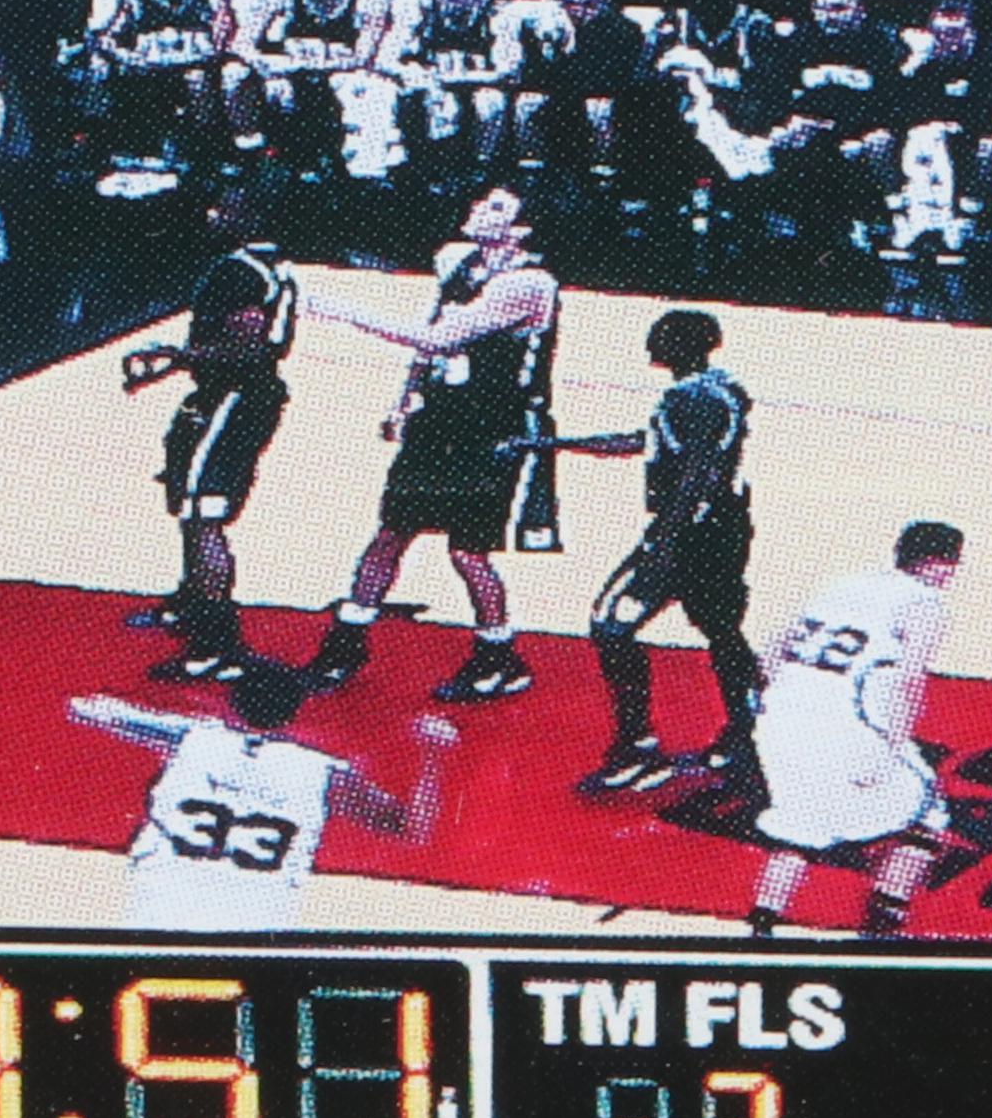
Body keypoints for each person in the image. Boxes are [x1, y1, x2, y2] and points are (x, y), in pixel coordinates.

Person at [303, 185, 561, 705]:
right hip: (439, 422)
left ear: (521, 229)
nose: (475, 209)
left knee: (468, 552)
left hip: (491, 429)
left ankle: (499, 656)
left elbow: (444, 338)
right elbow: (431, 337)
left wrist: (341, 311)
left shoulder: (530, 283)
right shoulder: (461, 264)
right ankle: (346, 644)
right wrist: (405, 400)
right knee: (390, 532)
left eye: (494, 208)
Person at [75, 667, 451, 936]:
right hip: (256, 925)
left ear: (232, 703)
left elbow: (88, 707)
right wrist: (433, 753)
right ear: (293, 713)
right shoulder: (322, 772)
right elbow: (414, 830)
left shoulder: (190, 738)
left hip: (159, 913)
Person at [561, 310, 758, 800]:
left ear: (682, 344)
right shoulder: (716, 389)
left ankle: (638, 748)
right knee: (721, 629)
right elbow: (648, 443)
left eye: (663, 333)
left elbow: (695, 473)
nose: (653, 339)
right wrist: (559, 444)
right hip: (722, 529)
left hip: (689, 534)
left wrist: (663, 545)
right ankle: (747, 732)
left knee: (611, 624)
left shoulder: (692, 399)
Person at [748, 523, 965, 941]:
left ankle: (761, 926)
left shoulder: (844, 586)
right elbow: (908, 683)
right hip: (845, 730)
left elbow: (770, 655)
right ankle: (883, 929)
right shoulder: (926, 605)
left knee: (799, 826)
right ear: (942, 564)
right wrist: (891, 750)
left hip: (779, 723)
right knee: (929, 813)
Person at [118, 212, 297, 685]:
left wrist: (177, 356)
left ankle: (218, 644)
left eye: (226, 203)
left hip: (235, 398)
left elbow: (249, 350)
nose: (213, 212)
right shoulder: (271, 264)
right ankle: (191, 602)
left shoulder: (237, 272)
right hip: (227, 394)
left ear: (247, 212)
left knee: (204, 515)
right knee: (188, 503)